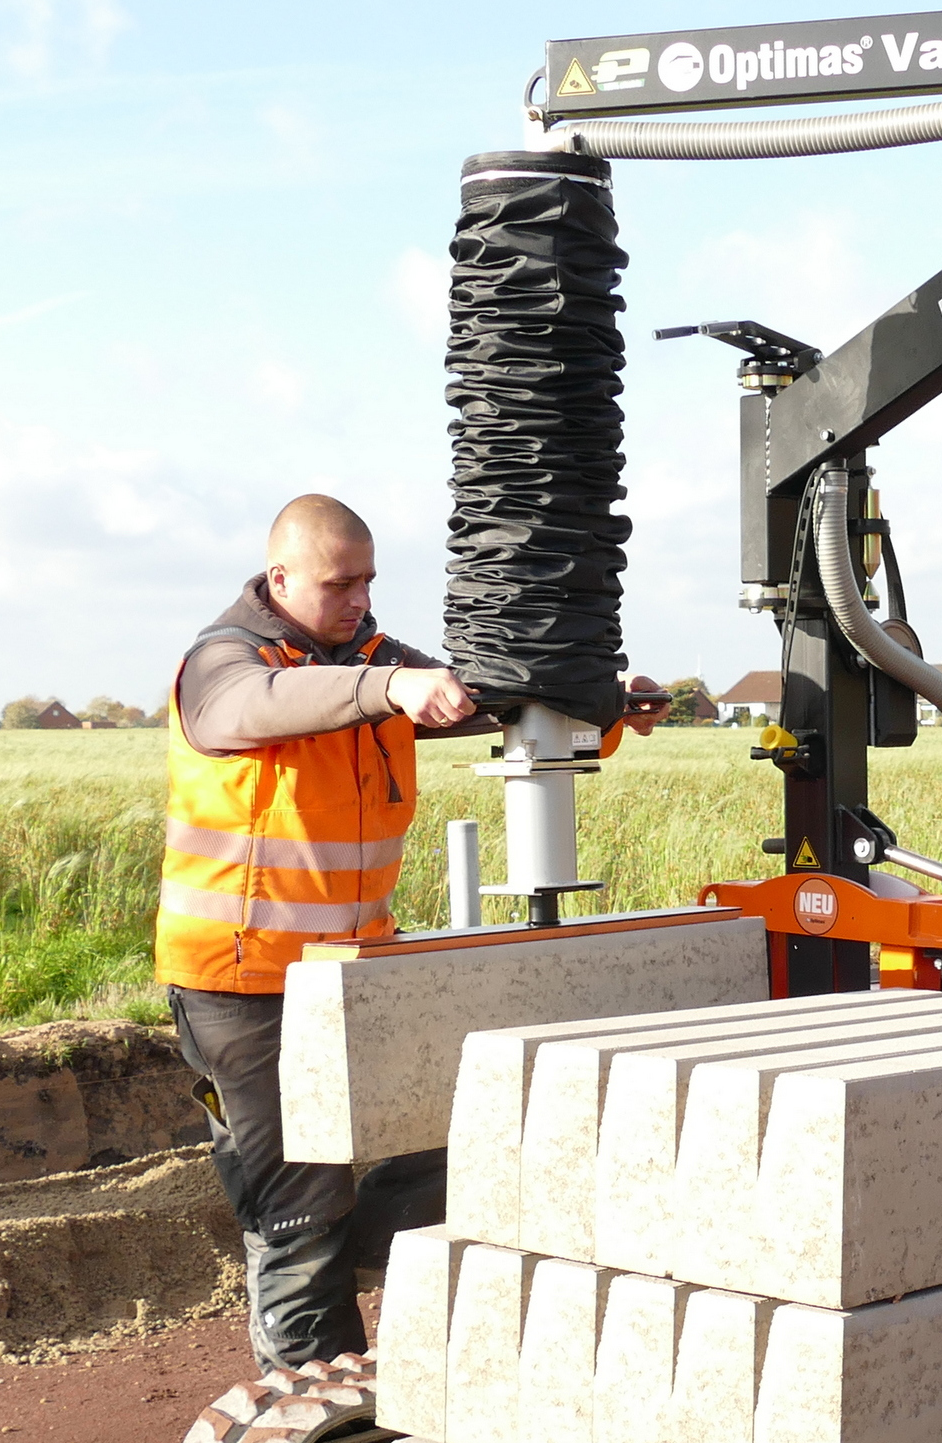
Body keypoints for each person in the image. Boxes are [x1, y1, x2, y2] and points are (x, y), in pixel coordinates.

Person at [157, 494, 668, 1370]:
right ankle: (309, 1413)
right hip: (243, 990)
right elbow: (262, 703)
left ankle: (377, 1316)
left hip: (355, 974)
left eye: (368, 581)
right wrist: (389, 686)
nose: (359, 600)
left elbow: (486, 704)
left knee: (445, 1140)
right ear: (280, 578)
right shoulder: (223, 664)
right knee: (298, 1214)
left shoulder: (368, 657)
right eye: (338, 584)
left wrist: (601, 706)